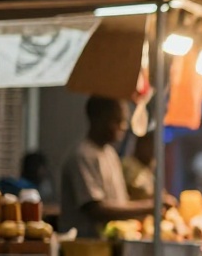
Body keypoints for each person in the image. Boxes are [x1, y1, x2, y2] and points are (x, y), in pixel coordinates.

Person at [60, 96, 170, 238]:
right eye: (117, 121)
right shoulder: (82, 156)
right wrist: (150, 206)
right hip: (85, 248)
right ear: (97, 118)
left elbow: (120, 202)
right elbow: (96, 209)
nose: (123, 127)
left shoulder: (110, 154)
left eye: (124, 121)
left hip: (110, 245)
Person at [122, 133, 156, 200]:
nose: (151, 151)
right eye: (148, 146)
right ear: (139, 145)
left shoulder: (147, 169)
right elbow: (136, 188)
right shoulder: (128, 164)